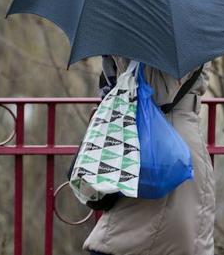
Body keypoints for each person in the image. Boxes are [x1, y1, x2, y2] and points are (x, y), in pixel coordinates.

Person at [84, 56, 215, 255]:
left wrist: (122, 54)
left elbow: (160, 93)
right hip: (161, 143)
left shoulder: (165, 40)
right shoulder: (184, 37)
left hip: (163, 146)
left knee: (115, 242)